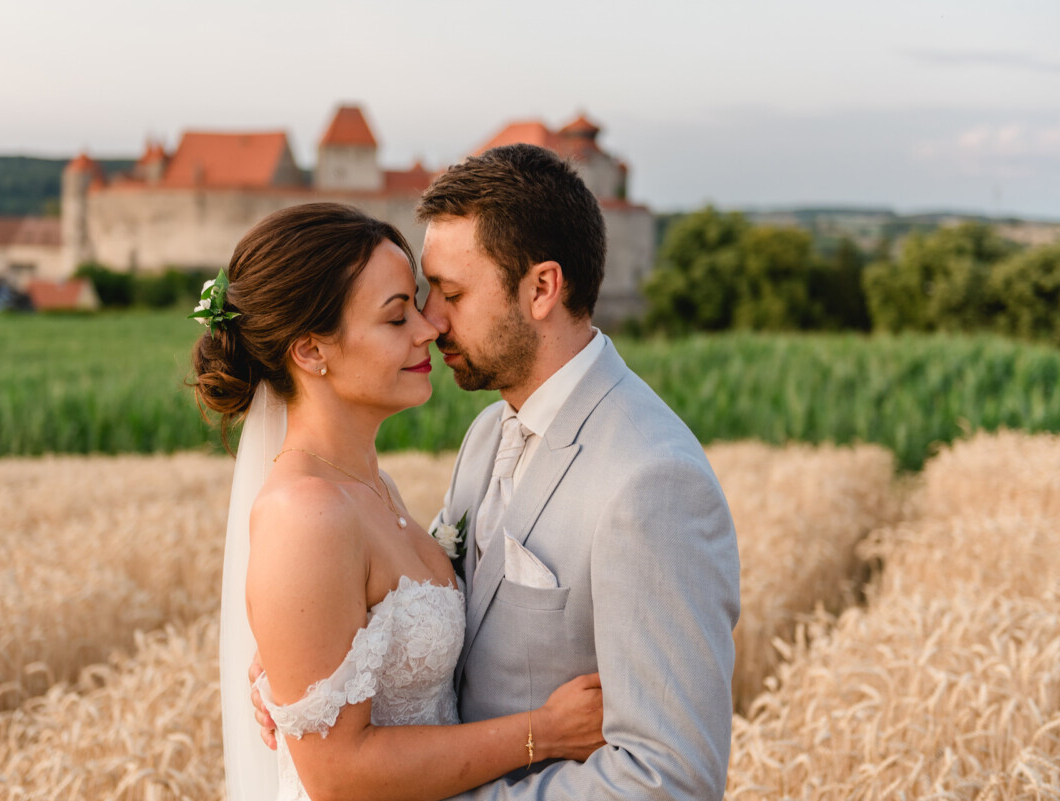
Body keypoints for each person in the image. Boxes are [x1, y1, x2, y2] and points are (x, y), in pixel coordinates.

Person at [254, 145, 742, 799]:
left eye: (450, 293)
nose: (430, 321)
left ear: (541, 288)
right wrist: (309, 658)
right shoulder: (488, 433)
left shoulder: (650, 482)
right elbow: (406, 602)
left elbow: (669, 778)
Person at [191, 202, 606, 801]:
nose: (428, 329)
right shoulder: (305, 513)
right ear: (311, 351)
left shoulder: (373, 489)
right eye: (395, 318)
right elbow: (336, 775)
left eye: (417, 303)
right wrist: (544, 733)